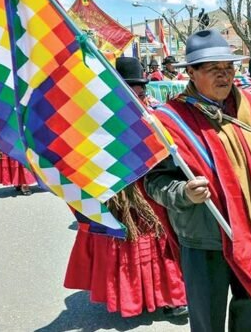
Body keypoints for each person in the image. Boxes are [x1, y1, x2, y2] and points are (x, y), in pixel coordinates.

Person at [144, 30, 251, 331]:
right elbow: (154, 182)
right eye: (214, 69)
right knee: (207, 321)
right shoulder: (169, 121)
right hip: (205, 238)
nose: (224, 77)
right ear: (191, 72)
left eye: (228, 68)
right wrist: (184, 193)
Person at [64, 57, 188, 318]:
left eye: (141, 92)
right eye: (131, 91)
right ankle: (133, 296)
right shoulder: (96, 123)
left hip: (150, 190)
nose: (137, 97)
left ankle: (171, 296)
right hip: (117, 193)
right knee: (128, 240)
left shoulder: (154, 116)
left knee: (160, 238)